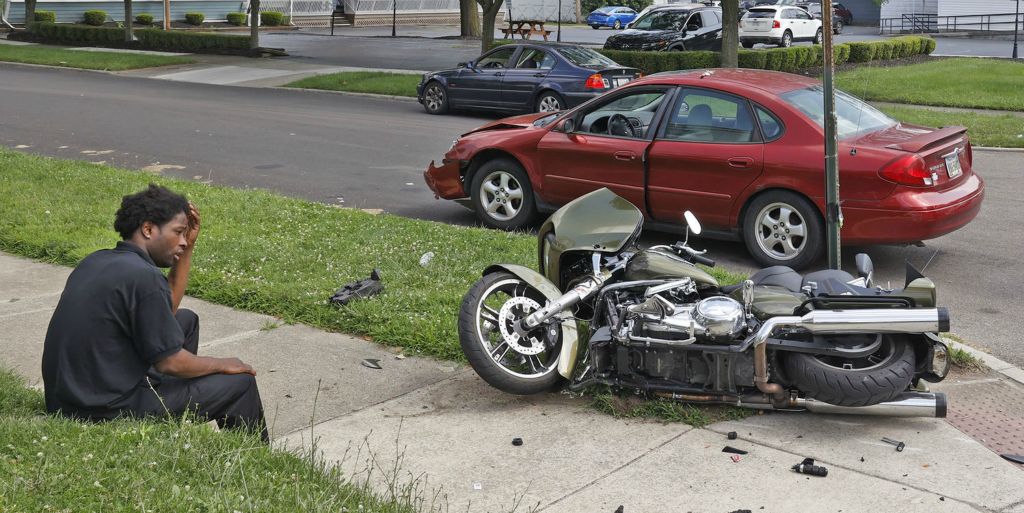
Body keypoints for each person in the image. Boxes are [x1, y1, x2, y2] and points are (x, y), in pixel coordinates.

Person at [41, 184, 269, 442]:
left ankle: (163, 400)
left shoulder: (98, 260)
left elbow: (164, 314)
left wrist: (189, 249)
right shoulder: (143, 276)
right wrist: (224, 364)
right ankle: (251, 457)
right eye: (179, 232)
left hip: (68, 400)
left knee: (185, 321)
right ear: (148, 229)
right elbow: (170, 362)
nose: (183, 241)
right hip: (106, 411)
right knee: (240, 384)